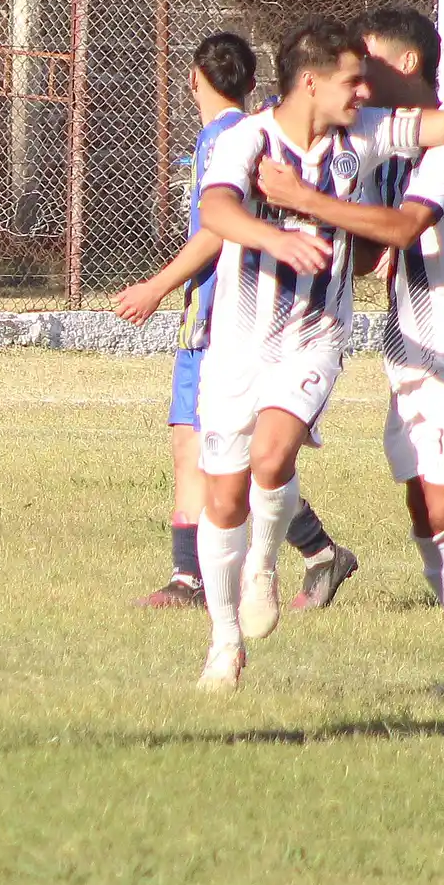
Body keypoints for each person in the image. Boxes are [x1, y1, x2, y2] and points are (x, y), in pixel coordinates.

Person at [192, 15, 444, 691]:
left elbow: (407, 220)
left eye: (369, 68)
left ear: (401, 67)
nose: (361, 82)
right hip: (407, 340)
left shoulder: (442, 149)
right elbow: (364, 244)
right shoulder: (343, 136)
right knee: (421, 508)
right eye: (350, 74)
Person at [114, 33, 359, 611]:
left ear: (193, 79)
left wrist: (158, 285)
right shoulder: (243, 132)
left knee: (204, 449)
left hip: (227, 321)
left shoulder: (228, 138)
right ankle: (315, 554)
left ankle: (194, 577)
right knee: (219, 450)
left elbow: (216, 227)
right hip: (226, 315)